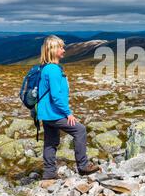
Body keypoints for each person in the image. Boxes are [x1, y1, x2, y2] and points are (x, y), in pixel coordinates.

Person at [37, 35, 100, 179]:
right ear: (52, 50)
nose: (63, 50)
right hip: (54, 113)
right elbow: (56, 96)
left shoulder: (46, 68)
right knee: (80, 130)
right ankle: (83, 166)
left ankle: (49, 173)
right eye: (60, 47)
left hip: (46, 114)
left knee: (50, 142)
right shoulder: (53, 69)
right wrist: (68, 113)